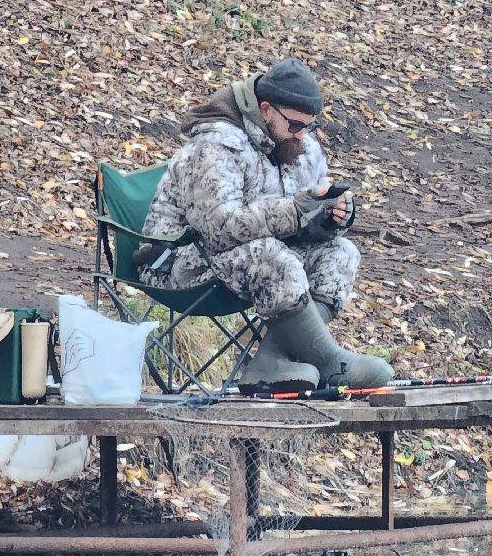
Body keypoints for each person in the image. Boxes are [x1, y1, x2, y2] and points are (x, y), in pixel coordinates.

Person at [137, 59, 394, 392]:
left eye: (309, 126)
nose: (303, 134)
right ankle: (330, 362)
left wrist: (331, 218)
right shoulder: (216, 146)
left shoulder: (299, 144)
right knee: (271, 256)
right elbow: (218, 228)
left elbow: (307, 217)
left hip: (249, 261)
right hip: (178, 262)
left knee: (340, 253)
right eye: (295, 125)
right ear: (266, 109)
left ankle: (270, 362)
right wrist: (296, 211)